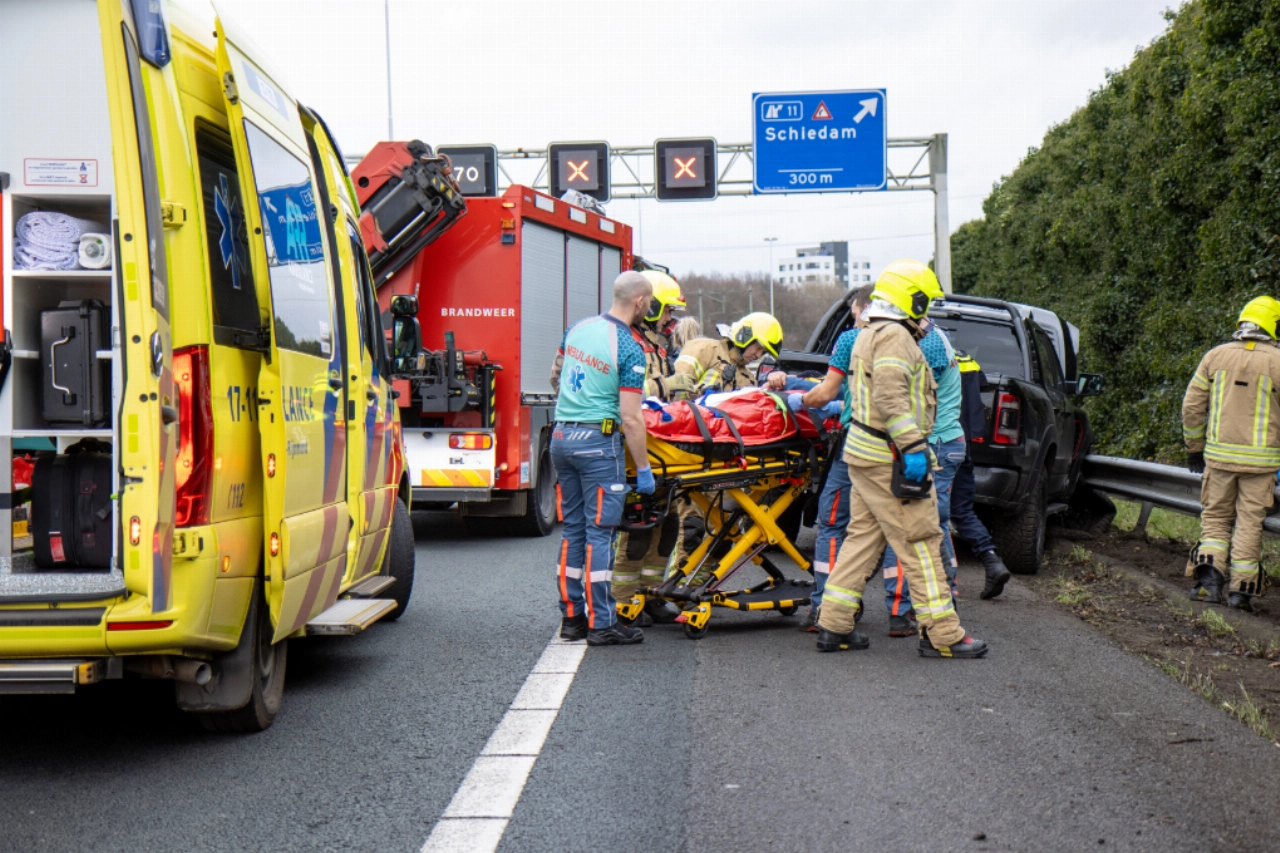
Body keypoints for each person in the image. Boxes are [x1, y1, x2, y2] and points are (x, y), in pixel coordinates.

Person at [814, 259, 988, 658]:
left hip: (863, 453)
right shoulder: (894, 336)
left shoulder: (868, 332)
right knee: (922, 541)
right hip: (889, 458)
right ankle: (943, 634)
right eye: (926, 304)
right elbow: (891, 398)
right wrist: (912, 449)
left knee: (860, 540)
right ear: (914, 299)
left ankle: (834, 624)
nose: (928, 314)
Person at [550, 271, 656, 646]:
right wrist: (643, 469)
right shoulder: (629, 347)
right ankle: (602, 623)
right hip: (598, 444)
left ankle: (572, 619)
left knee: (574, 531)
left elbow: (556, 377)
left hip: (562, 437)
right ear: (640, 302)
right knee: (600, 535)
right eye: (650, 303)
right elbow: (631, 417)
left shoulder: (577, 329)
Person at [779, 285, 874, 632]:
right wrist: (795, 382)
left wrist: (801, 401)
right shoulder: (915, 342)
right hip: (903, 448)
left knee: (832, 524)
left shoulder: (851, 340)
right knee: (890, 531)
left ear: (864, 309)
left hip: (859, 445)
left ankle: (827, 607)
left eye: (853, 312)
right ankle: (905, 613)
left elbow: (829, 390)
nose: (852, 317)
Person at [1181, 295, 1280, 611]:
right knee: (1250, 524)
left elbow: (1192, 406)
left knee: (1215, 520)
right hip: (1262, 465)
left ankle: (1209, 584)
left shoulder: (1215, 356)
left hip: (1219, 461)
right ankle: (1241, 594)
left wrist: (1194, 448)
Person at [612, 270, 695, 625]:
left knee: (668, 525)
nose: (670, 320)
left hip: (661, 450)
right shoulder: (624, 340)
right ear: (649, 305)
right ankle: (623, 600)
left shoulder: (656, 344)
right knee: (639, 528)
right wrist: (666, 383)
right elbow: (622, 393)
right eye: (666, 312)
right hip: (634, 452)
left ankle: (650, 595)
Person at [949, 352, 1013, 599]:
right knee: (962, 511)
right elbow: (981, 390)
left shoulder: (924, 351)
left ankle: (942, 584)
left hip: (937, 443)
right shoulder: (965, 358)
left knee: (932, 515)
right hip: (962, 444)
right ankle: (992, 561)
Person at [675, 311, 784, 394]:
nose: (758, 355)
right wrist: (704, 392)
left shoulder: (749, 380)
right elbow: (676, 389)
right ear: (745, 337)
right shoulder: (705, 348)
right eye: (758, 348)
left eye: (763, 352)